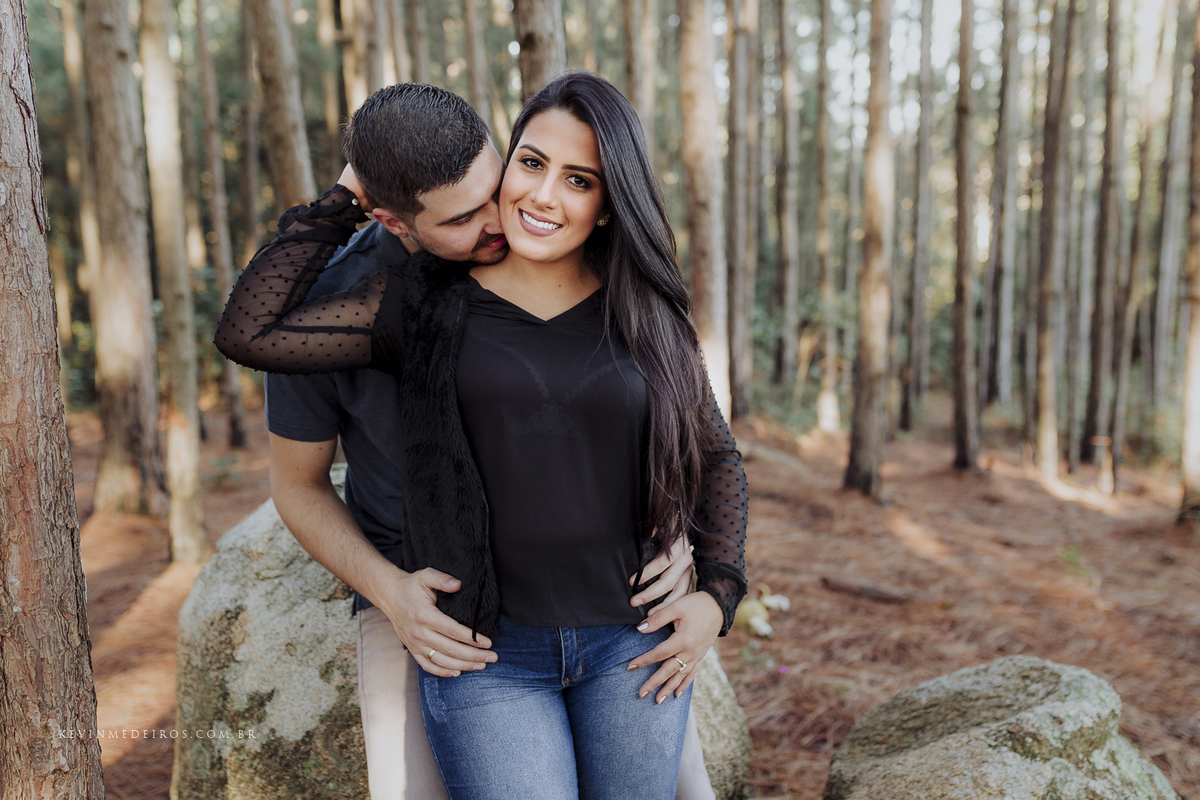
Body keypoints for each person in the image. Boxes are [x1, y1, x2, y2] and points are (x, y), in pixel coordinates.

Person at [217, 73, 747, 799]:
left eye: (575, 179)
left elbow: (703, 448)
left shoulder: (634, 299)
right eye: (469, 216)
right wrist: (393, 595)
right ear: (394, 222)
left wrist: (707, 574)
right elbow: (262, 374)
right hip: (458, 624)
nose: (515, 211)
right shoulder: (390, 302)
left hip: (622, 630)